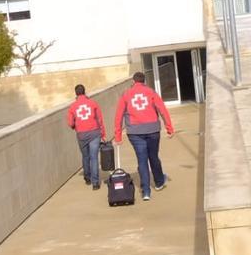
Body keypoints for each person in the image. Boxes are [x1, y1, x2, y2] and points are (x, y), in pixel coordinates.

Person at [113, 71, 174, 202]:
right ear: (144, 81)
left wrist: (118, 136)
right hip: (152, 130)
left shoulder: (126, 94)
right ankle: (159, 182)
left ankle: (146, 191)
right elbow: (162, 109)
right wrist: (169, 128)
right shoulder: (151, 92)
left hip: (135, 132)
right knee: (153, 157)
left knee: (142, 160)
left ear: (133, 81)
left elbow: (118, 116)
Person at [66, 84, 105, 191]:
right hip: (94, 133)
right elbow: (100, 119)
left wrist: (75, 126)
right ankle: (95, 183)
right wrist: (103, 133)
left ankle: (87, 177)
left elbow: (70, 123)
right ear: (85, 91)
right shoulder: (93, 103)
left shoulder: (72, 106)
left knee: (85, 156)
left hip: (81, 134)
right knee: (94, 157)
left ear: (76, 93)